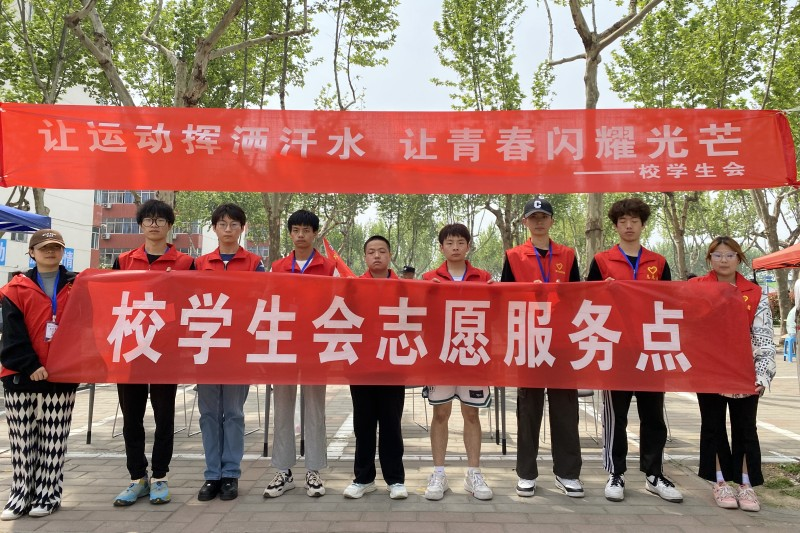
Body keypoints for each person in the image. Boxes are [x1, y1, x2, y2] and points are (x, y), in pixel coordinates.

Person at [586, 197, 683, 504]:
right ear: (615, 226)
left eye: (634, 221)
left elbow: (669, 303)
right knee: (616, 416)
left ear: (642, 225)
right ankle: (616, 473)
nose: (629, 226)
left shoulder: (658, 262)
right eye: (623, 221)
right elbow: (586, 301)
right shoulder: (602, 261)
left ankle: (654, 474)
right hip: (616, 349)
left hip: (651, 348)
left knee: (653, 415)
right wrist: (603, 291)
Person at [113, 199, 195, 507]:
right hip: (131, 351)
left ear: (170, 225)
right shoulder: (124, 260)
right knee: (131, 419)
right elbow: (111, 300)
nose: (154, 224)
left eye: (161, 220)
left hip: (165, 351)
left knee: (164, 417)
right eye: (149, 219)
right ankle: (137, 478)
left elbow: (193, 303)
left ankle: (160, 476)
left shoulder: (185, 263)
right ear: (141, 224)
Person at [501, 198, 584, 498]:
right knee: (528, 409)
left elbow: (577, 297)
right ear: (525, 222)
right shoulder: (513, 256)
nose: (539, 222)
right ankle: (526, 473)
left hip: (561, 340)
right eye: (533, 217)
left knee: (565, 408)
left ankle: (567, 473)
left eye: (544, 217)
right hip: (530, 338)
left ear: (552, 221)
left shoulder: (568, 255)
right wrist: (528, 293)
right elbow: (504, 298)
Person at [689, 237, 776, 512]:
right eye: (717, 255)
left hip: (745, 373)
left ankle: (746, 484)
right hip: (709, 371)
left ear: (739, 258)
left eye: (730, 255)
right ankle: (719, 481)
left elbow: (764, 337)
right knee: (712, 426)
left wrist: (762, 375)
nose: (723, 260)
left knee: (746, 428)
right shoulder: (695, 289)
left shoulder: (755, 293)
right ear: (709, 259)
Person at [1, 229, 78, 520]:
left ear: (62, 252)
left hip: (61, 375)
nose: (50, 251)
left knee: (53, 441)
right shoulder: (15, 289)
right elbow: (12, 334)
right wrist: (30, 365)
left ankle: (48, 495)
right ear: (31, 252)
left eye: (56, 247)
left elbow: (86, 327)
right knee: (22, 441)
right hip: (21, 375)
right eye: (43, 247)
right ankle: (20, 495)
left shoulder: (77, 286)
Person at [194, 203, 265, 502]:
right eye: (222, 224)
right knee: (209, 414)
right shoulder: (200, 263)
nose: (228, 229)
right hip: (206, 348)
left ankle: (231, 474)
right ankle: (212, 475)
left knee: (233, 413)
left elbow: (261, 299)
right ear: (214, 228)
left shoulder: (254, 262)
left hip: (238, 348)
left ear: (242, 228)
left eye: (234, 224)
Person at [264, 209, 336, 499]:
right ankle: (283, 471)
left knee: (315, 407)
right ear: (290, 234)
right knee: (282, 406)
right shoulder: (278, 267)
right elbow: (268, 301)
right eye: (296, 230)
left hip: (316, 346)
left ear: (315, 234)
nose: (301, 235)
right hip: (284, 344)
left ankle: (314, 470)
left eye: (306, 230)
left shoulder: (328, 267)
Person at [422, 223, 494, 501]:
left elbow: (496, 313)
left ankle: (473, 473)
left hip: (473, 356)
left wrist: (496, 293)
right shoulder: (429, 278)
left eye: (460, 243)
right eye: (449, 243)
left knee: (471, 414)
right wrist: (427, 293)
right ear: (441, 247)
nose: (455, 247)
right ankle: (438, 473)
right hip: (441, 356)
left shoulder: (483, 277)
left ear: (468, 246)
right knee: (440, 414)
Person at [342, 235, 407, 500]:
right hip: (362, 366)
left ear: (390, 255)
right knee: (364, 424)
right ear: (365, 257)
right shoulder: (353, 287)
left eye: (382, 251)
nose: (377, 255)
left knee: (391, 424)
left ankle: (395, 479)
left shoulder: (405, 288)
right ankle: (363, 478)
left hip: (393, 364)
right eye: (371, 252)